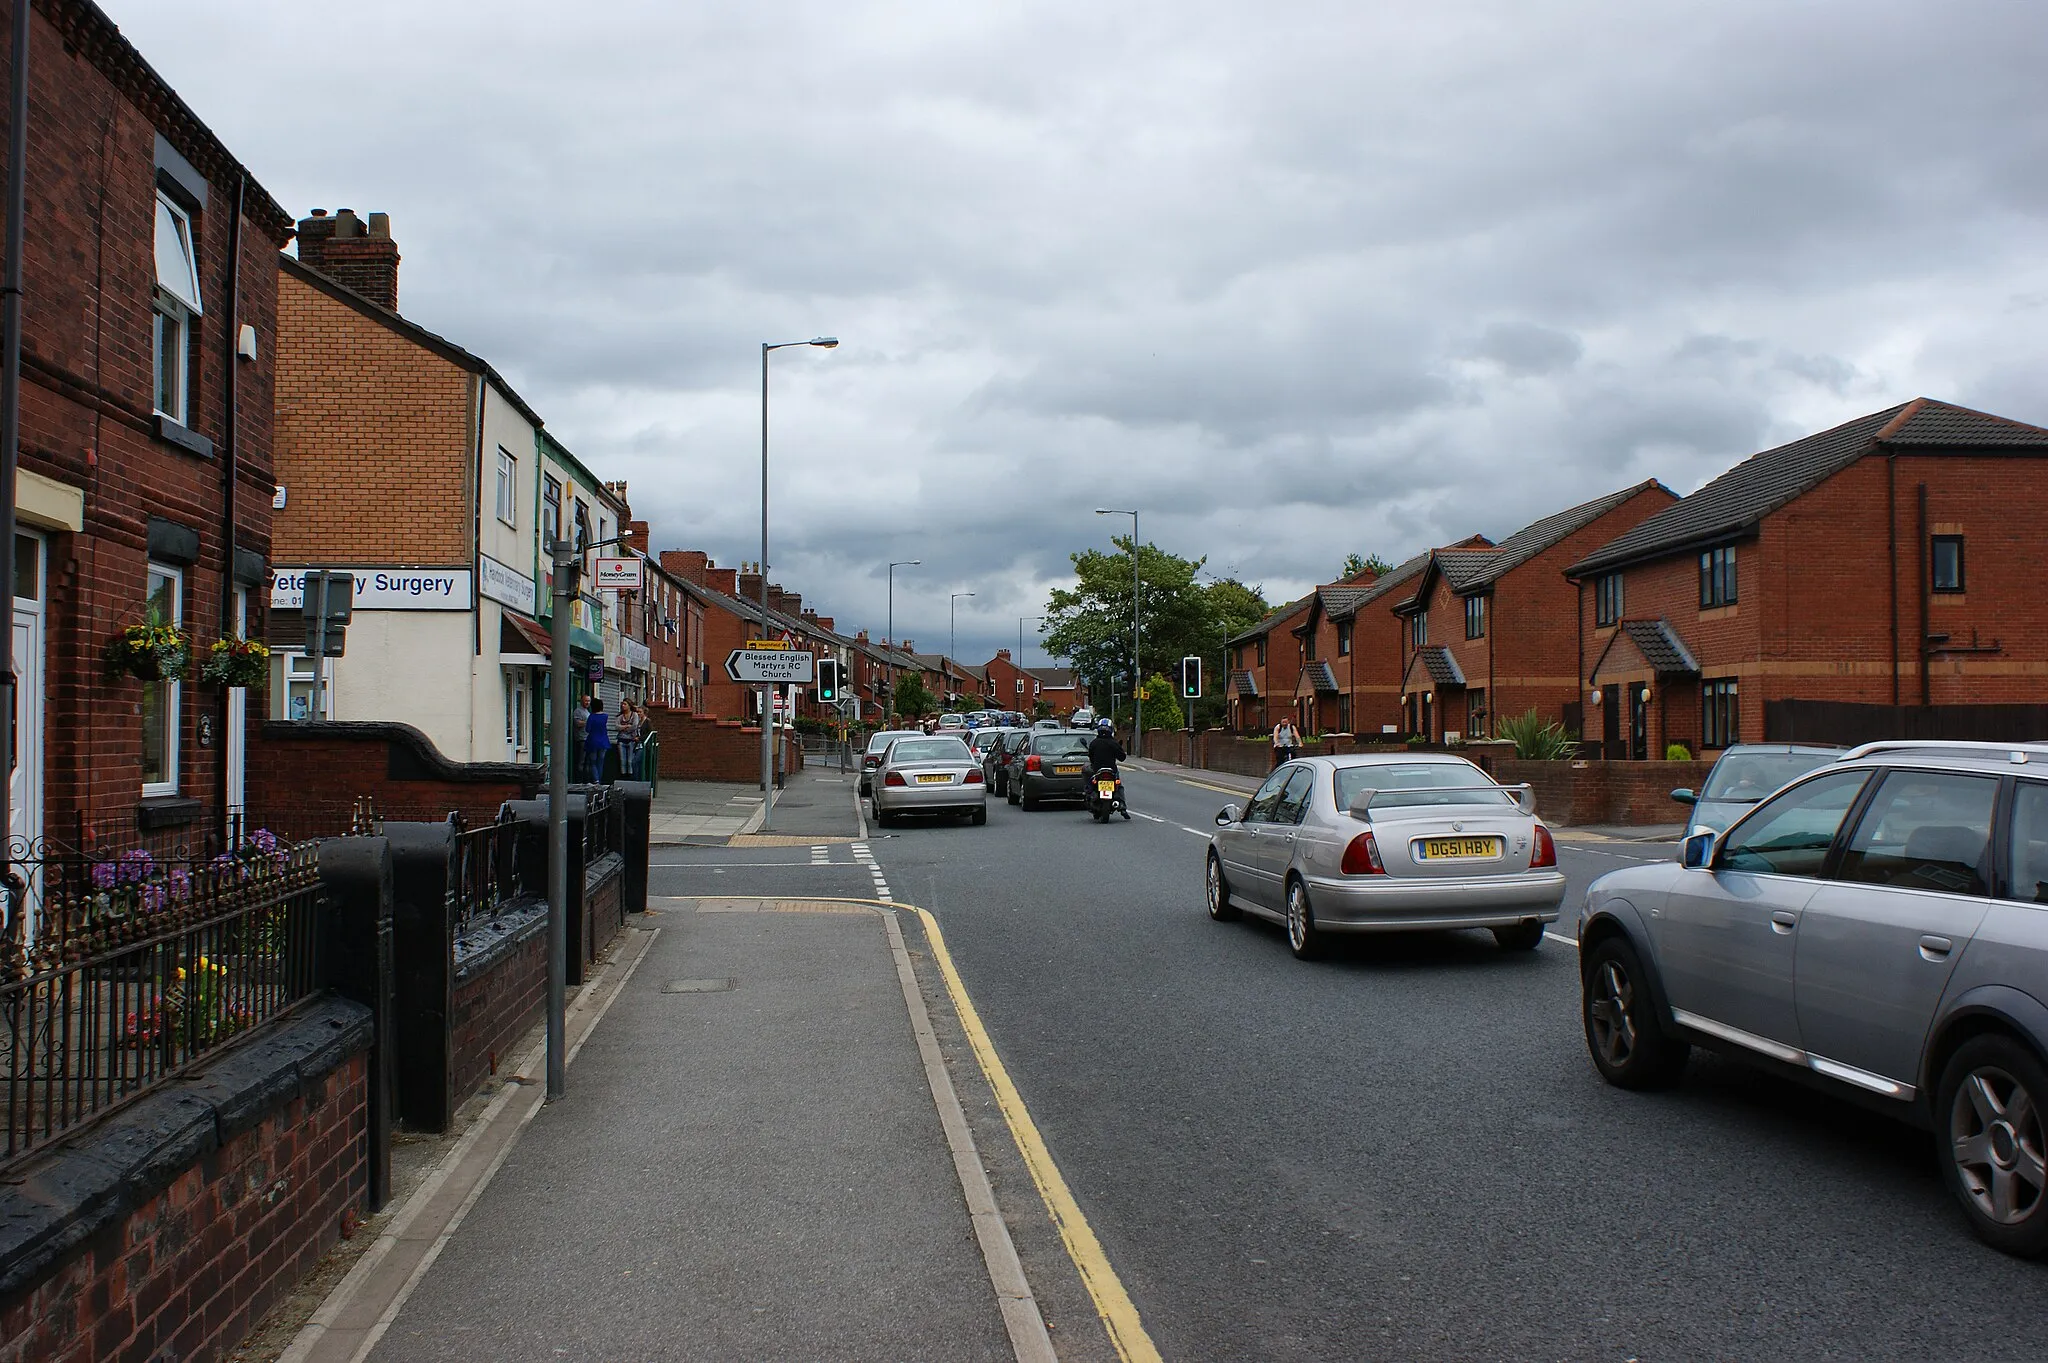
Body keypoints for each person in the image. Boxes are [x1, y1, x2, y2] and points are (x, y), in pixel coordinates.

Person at [1088, 718, 1130, 819]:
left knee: (1090, 784)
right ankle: (1122, 806)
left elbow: (1091, 757)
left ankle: (1089, 797)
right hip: (1111, 770)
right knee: (1119, 786)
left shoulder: (1094, 743)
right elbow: (1122, 758)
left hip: (1097, 770)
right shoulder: (1114, 743)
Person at [584, 697, 612, 782]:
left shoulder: (591, 717)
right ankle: (599, 779)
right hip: (603, 741)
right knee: (600, 762)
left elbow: (587, 729)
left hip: (592, 741)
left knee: (593, 762)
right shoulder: (605, 716)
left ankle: (596, 780)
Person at [616, 700, 642, 779]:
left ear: (629, 705)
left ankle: (630, 777)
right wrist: (626, 726)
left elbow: (634, 725)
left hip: (631, 740)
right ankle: (623, 776)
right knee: (622, 760)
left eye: (625, 704)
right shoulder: (620, 716)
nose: (623, 706)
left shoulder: (634, 715)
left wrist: (624, 728)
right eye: (622, 704)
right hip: (621, 740)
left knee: (630, 761)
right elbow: (617, 726)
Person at [571, 693, 590, 779]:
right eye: (586, 700)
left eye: (589, 701)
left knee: (587, 761)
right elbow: (577, 723)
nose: (587, 702)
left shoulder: (587, 711)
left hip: (588, 739)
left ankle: (585, 779)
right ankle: (579, 779)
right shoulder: (578, 711)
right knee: (581, 761)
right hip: (581, 739)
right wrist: (589, 722)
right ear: (581, 701)